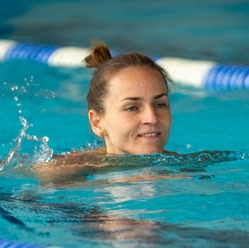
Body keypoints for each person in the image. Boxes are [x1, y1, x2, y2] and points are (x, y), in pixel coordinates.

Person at [34, 42, 178, 185]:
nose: (151, 118)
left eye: (160, 104)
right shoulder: (62, 174)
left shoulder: (188, 169)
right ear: (97, 123)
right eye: (132, 108)